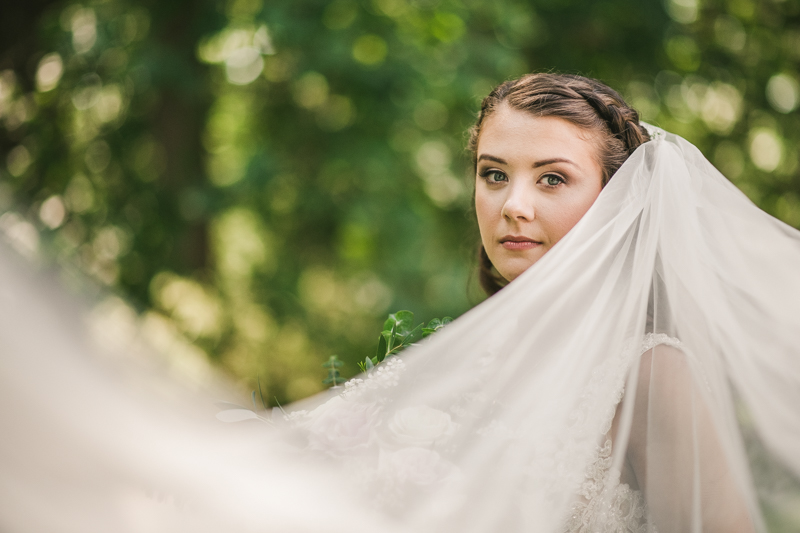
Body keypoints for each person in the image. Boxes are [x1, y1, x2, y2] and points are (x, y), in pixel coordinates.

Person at [2, 73, 800, 532]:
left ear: (618, 199)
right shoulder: (476, 354)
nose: (512, 204)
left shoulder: (652, 368)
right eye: (494, 173)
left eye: (551, 178)